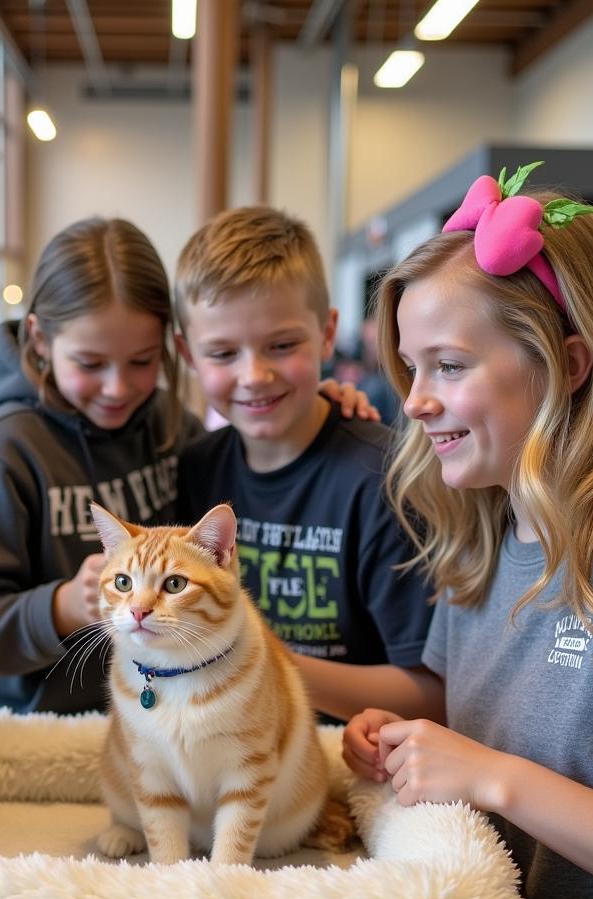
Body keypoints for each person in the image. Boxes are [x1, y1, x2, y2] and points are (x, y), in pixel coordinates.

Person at [342, 164, 593, 899]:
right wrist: (401, 733)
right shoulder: (484, 533)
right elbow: (451, 691)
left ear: (570, 364)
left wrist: (489, 776)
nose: (413, 401)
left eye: (449, 365)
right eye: (410, 367)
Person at [0, 216, 374, 715]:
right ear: (39, 340)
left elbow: (229, 480)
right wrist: (61, 607)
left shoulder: (165, 423)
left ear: (169, 349)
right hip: (10, 723)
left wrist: (318, 405)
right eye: (91, 364)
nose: (118, 387)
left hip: (138, 713)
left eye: (141, 362)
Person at [174, 206, 440, 724]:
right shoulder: (191, 470)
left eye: (282, 345)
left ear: (325, 334)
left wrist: (261, 662)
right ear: (187, 354)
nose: (254, 375)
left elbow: (432, 694)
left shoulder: (384, 479)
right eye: (223, 353)